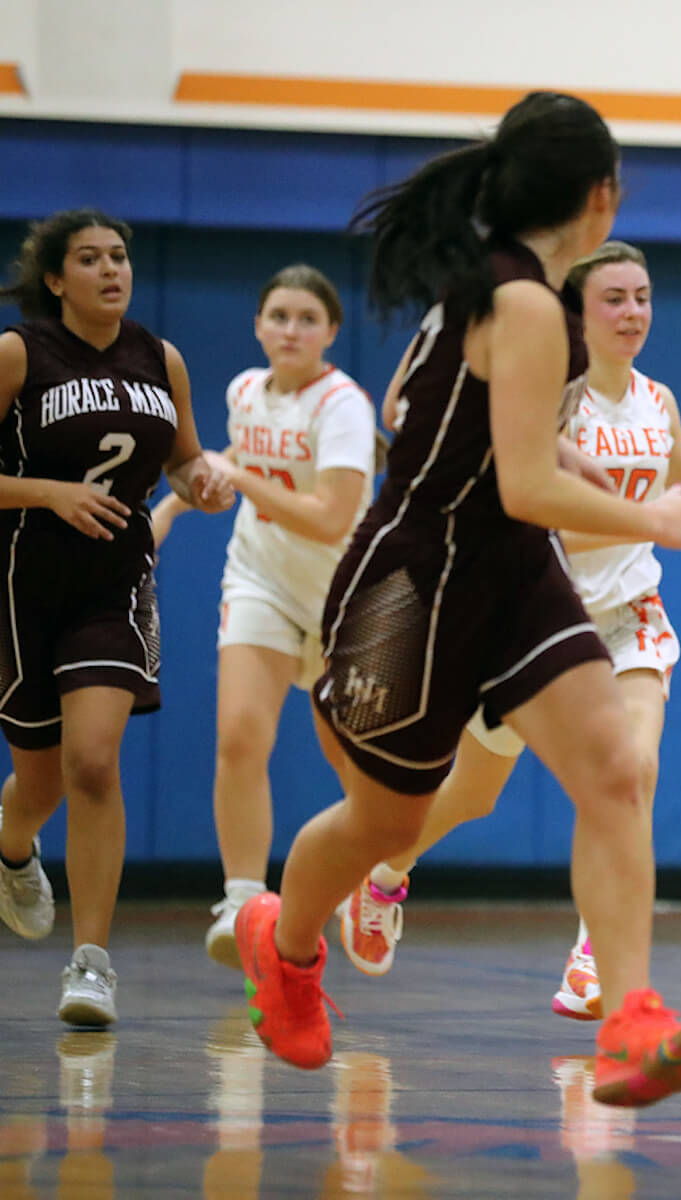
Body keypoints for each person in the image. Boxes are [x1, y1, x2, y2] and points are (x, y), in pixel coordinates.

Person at [230, 92, 681, 1109]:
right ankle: (279, 945)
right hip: (411, 585)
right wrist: (653, 519)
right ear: (602, 196)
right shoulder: (525, 301)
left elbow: (523, 439)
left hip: (509, 573)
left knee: (617, 774)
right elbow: (522, 483)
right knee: (382, 823)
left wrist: (585, 459)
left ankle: (631, 1018)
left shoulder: (507, 287)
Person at [338, 240, 681, 1024]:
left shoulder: (657, 402)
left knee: (634, 772)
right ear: (578, 311)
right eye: (615, 299)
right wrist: (638, 522)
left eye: (643, 297)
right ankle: (386, 871)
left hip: (628, 620)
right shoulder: (550, 396)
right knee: (472, 794)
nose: (633, 313)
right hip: (540, 617)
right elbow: (541, 509)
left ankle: (597, 954)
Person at [0, 208, 235, 1028]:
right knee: (38, 780)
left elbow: (184, 456)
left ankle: (91, 963)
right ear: (56, 279)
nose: (112, 270)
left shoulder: (159, 359)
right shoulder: (20, 354)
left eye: (121, 257)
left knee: (93, 763)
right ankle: (11, 847)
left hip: (116, 585)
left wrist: (203, 480)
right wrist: (46, 491)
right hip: (25, 585)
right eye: (91, 259)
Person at [178, 265, 377, 967]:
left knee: (354, 764)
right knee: (238, 736)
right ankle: (240, 902)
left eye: (307, 318)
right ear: (259, 324)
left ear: (331, 332)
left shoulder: (344, 406)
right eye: (279, 316)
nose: (291, 329)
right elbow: (234, 452)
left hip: (343, 594)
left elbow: (331, 519)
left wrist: (241, 478)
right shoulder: (242, 391)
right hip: (260, 576)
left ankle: (367, 881)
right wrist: (173, 506)